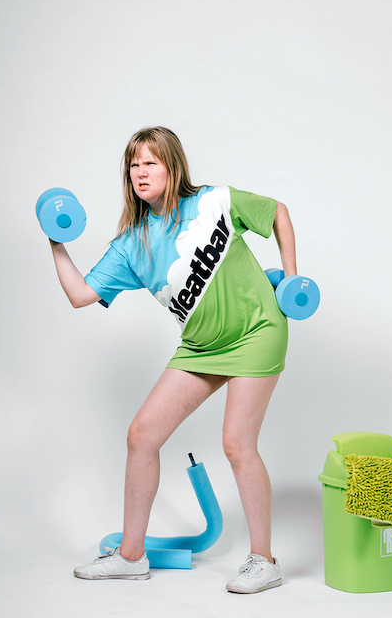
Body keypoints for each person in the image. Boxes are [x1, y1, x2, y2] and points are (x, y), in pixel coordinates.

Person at [49, 127, 297, 593]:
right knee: (142, 435)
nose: (140, 172)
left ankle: (264, 561)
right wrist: (55, 240)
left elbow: (276, 211)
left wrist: (292, 277)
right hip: (202, 346)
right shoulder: (133, 244)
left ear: (172, 165)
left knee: (236, 444)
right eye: (134, 165)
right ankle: (131, 557)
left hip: (258, 330)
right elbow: (81, 294)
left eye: (151, 162)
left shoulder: (214, 201)